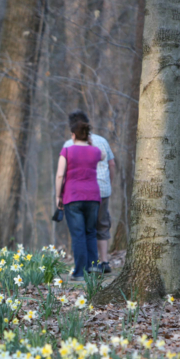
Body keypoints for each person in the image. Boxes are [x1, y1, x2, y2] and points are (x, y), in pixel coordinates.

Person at [63, 110, 116, 273]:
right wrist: (109, 183)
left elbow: (64, 171)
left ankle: (83, 266)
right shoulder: (102, 141)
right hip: (102, 189)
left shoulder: (69, 145)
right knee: (101, 225)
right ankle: (104, 261)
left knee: (82, 230)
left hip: (79, 192)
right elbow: (111, 164)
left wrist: (62, 193)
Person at [56, 121, 106, 281]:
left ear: (73, 135)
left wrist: (58, 196)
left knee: (78, 235)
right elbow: (103, 155)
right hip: (93, 197)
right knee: (91, 232)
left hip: (73, 196)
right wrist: (90, 144)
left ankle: (79, 273)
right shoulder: (95, 151)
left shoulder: (67, 151)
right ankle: (92, 268)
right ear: (87, 135)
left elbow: (59, 175)